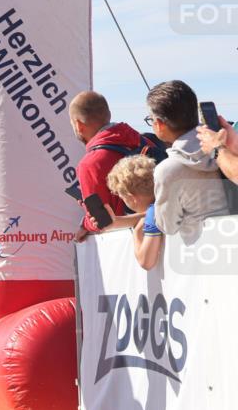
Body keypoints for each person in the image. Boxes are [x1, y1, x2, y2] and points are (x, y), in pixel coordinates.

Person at [147, 81, 228, 241]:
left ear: (160, 124)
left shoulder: (168, 170)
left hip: (203, 254)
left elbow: (167, 226)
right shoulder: (227, 148)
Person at [68, 91, 151, 241]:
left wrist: (85, 225)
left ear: (79, 125)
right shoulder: (144, 141)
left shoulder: (90, 164)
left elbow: (102, 221)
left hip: (132, 245)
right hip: (167, 231)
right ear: (109, 114)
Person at [97, 155, 164, 270]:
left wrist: (137, 233)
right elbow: (145, 215)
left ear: (131, 197)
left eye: (122, 197)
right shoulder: (164, 202)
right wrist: (117, 222)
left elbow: (146, 262)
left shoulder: (153, 213)